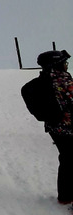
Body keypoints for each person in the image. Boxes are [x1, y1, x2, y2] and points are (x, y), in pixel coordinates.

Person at [34, 50, 73, 205]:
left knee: (67, 161)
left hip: (55, 129)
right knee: (69, 160)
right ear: (56, 64)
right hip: (68, 128)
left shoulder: (44, 80)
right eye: (64, 63)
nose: (66, 65)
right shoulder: (62, 80)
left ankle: (65, 197)